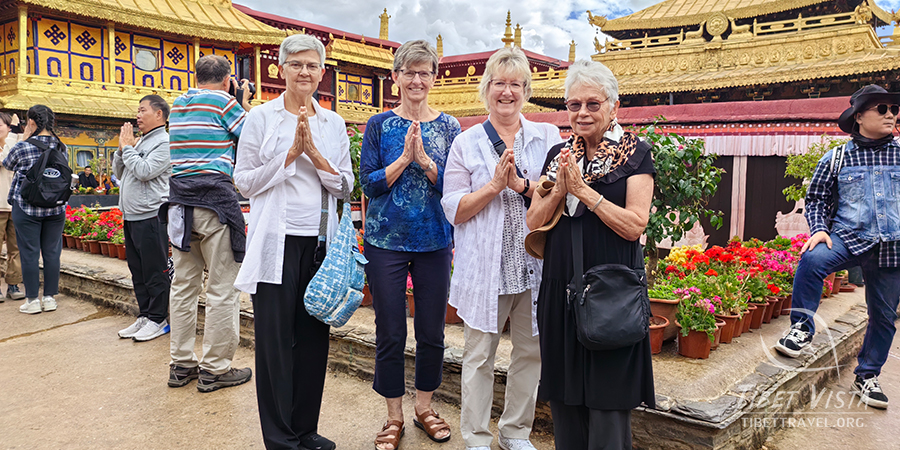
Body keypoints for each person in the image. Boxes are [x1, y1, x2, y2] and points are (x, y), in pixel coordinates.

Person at [525, 60, 656, 449]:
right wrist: (564, 188)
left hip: (611, 288)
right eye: (573, 105)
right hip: (561, 285)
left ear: (613, 106)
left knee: (607, 399)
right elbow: (534, 219)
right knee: (564, 395)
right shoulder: (559, 154)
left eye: (592, 104)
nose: (581, 113)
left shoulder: (635, 154)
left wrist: (586, 193)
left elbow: (635, 225)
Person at [234, 34, 353, 450]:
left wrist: (316, 157)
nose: (305, 72)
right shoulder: (261, 118)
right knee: (274, 344)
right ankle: (280, 438)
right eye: (297, 64)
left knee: (313, 340)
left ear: (322, 72)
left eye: (313, 65)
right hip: (275, 243)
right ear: (281, 69)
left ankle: (305, 429)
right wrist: (287, 157)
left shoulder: (332, 123)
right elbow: (243, 181)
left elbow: (345, 187)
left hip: (319, 243)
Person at [441, 47, 560, 450]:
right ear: (485, 89)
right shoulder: (466, 143)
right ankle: (475, 435)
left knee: (531, 353)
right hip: (485, 268)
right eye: (498, 83)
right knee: (479, 357)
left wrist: (521, 186)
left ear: (526, 91)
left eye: (515, 84)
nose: (506, 92)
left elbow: (559, 195)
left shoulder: (547, 137)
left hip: (533, 265)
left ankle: (515, 432)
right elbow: (454, 208)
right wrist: (493, 187)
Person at [360, 40, 461, 450]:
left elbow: (456, 187)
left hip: (434, 240)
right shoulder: (379, 124)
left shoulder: (450, 126)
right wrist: (403, 159)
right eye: (409, 72)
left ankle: (424, 406)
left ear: (433, 79)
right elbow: (367, 182)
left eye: (425, 73)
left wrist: (426, 162)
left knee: (432, 330)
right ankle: (393, 415)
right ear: (396, 77)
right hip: (386, 241)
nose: (417, 80)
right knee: (389, 330)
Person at [775, 84, 900, 409]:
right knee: (813, 259)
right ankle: (801, 330)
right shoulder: (838, 158)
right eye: (882, 109)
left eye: (894, 109)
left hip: (893, 246)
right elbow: (816, 198)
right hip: (848, 237)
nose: (891, 115)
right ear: (860, 116)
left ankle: (867, 376)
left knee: (884, 317)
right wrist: (818, 229)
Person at [160, 55, 253, 392]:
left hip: (180, 205)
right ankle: (215, 368)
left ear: (195, 77)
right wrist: (243, 102)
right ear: (228, 79)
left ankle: (181, 364)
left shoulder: (179, 102)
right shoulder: (225, 101)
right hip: (215, 202)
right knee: (222, 289)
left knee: (183, 287)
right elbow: (251, 136)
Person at [113, 95, 172, 342]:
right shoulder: (139, 141)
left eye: (142, 110)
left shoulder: (165, 143)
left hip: (151, 215)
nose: (138, 115)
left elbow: (144, 171)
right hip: (132, 214)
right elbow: (119, 172)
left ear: (159, 114)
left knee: (154, 270)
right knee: (137, 270)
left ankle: (159, 319)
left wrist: (128, 148)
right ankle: (145, 315)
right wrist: (121, 149)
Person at [2, 105, 68, 314]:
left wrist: (22, 137)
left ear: (31, 122)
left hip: (27, 207)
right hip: (56, 208)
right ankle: (49, 298)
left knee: (29, 253)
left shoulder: (23, 147)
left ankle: (32, 300)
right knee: (52, 253)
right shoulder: (61, 146)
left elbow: (8, 164)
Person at [0, 112, 25, 301]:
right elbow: (6, 160)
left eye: (1, 125)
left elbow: (18, 156)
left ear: (8, 128)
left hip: (14, 206)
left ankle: (13, 284)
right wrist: (13, 135)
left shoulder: (14, 144)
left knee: (15, 249)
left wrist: (16, 132)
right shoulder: (10, 146)